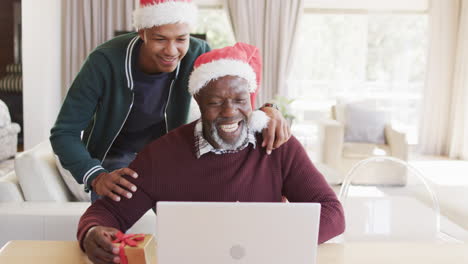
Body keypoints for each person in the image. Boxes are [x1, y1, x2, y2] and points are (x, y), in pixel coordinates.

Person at [78, 42, 345, 264]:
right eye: (216, 103)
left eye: (240, 101)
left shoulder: (277, 144)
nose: (230, 112)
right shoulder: (160, 156)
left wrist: (265, 242)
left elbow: (333, 214)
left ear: (251, 99)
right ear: (198, 102)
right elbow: (108, 213)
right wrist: (92, 232)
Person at [50, 0, 290, 203]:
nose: (171, 50)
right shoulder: (104, 61)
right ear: (142, 32)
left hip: (171, 156)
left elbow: (232, 100)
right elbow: (64, 132)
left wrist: (270, 109)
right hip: (116, 158)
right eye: (160, 39)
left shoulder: (197, 53)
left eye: (181, 39)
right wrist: (96, 176)